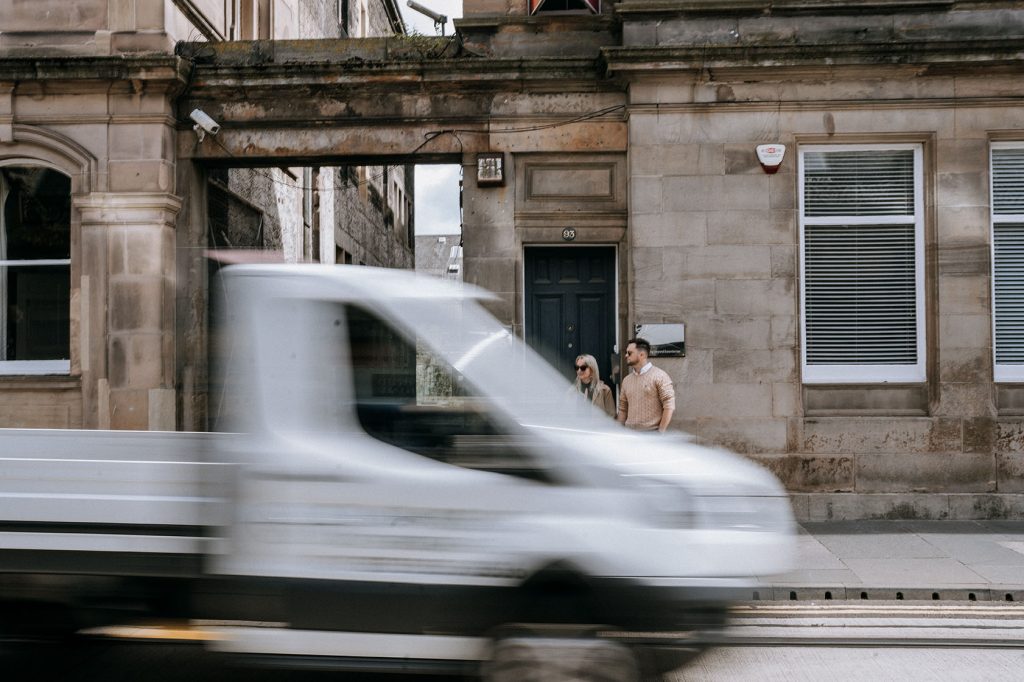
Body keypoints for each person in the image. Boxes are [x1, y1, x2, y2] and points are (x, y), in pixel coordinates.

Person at [617, 338, 675, 432]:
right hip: (629, 436)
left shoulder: (660, 376)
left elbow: (669, 405)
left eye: (629, 353)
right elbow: (623, 409)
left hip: (651, 436)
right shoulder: (626, 380)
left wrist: (660, 432)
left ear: (642, 355)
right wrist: (619, 432)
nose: (626, 355)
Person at [571, 354, 616, 418]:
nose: (579, 370)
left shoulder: (604, 390)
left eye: (583, 368)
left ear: (592, 369)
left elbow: (611, 416)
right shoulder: (572, 392)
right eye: (576, 367)